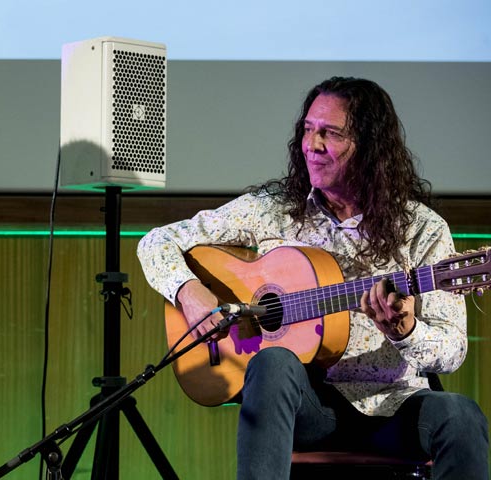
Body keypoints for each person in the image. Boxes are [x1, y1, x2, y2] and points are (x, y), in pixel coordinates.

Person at [137, 76, 488, 479]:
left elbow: (453, 350)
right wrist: (189, 291)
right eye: (308, 130)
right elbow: (157, 241)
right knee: (272, 362)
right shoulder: (272, 211)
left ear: (371, 147)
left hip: (395, 407)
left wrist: (405, 331)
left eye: (330, 134)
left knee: (460, 415)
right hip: (309, 409)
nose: (312, 145)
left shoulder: (423, 230)